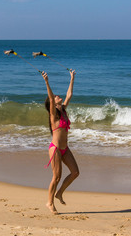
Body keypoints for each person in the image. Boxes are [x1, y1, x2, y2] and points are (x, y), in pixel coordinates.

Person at [42, 69, 79, 215]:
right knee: (56, 176)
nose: (58, 96)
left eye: (58, 96)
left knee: (75, 172)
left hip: (65, 148)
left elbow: (69, 95)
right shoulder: (53, 115)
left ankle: (59, 193)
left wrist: (72, 78)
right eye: (56, 97)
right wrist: (46, 81)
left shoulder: (63, 110)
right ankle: (49, 202)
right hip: (56, 148)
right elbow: (51, 99)